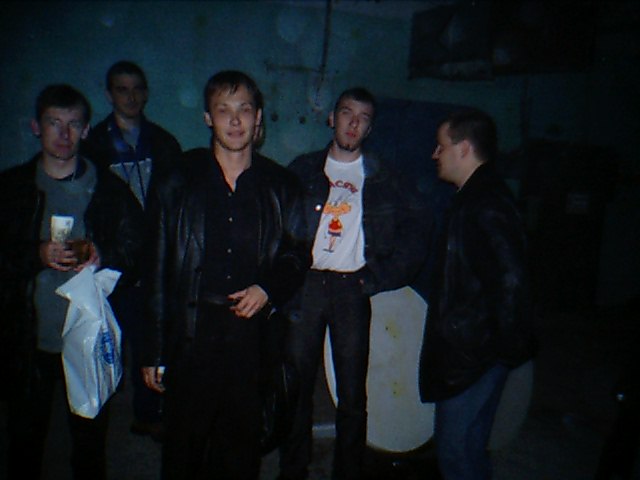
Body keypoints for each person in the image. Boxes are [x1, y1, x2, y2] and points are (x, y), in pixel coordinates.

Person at [141, 70, 309, 480]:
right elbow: (156, 269)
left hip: (251, 341)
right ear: (207, 118)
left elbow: (297, 254)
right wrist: (152, 351)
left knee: (240, 455)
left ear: (258, 117)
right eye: (223, 110)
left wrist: (268, 288)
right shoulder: (176, 181)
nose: (235, 121)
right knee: (182, 452)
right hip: (192, 335)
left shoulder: (283, 186)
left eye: (244, 109)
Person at [277, 88, 428, 480]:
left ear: (370, 128)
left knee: (352, 394)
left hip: (352, 289)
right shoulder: (302, 169)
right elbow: (278, 225)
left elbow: (418, 230)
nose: (353, 123)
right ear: (332, 118)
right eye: (347, 113)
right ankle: (293, 469)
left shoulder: (385, 177)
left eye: (363, 117)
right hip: (307, 286)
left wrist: (379, 277)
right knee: (296, 386)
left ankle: (348, 472)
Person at [0, 84, 143, 479]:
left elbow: (138, 248)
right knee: (24, 443)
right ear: (36, 127)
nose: (64, 134)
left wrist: (104, 255)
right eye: (54, 123)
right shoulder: (12, 189)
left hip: (86, 340)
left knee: (89, 447)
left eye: (73, 124)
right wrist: (36, 254)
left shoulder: (109, 190)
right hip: (29, 341)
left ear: (86, 130)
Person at [418, 109, 536, 480]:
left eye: (441, 146)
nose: (435, 154)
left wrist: (499, 352)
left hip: (473, 358)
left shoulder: (485, 204)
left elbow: (511, 282)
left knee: (456, 453)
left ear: (464, 148)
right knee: (467, 448)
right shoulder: (474, 198)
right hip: (474, 353)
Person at [81, 60, 182, 441]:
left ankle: (147, 412)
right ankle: (95, 411)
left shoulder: (164, 143)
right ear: (109, 95)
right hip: (113, 254)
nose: (131, 96)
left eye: (137, 88)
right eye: (122, 89)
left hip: (153, 254)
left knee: (150, 334)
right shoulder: (93, 146)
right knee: (106, 338)